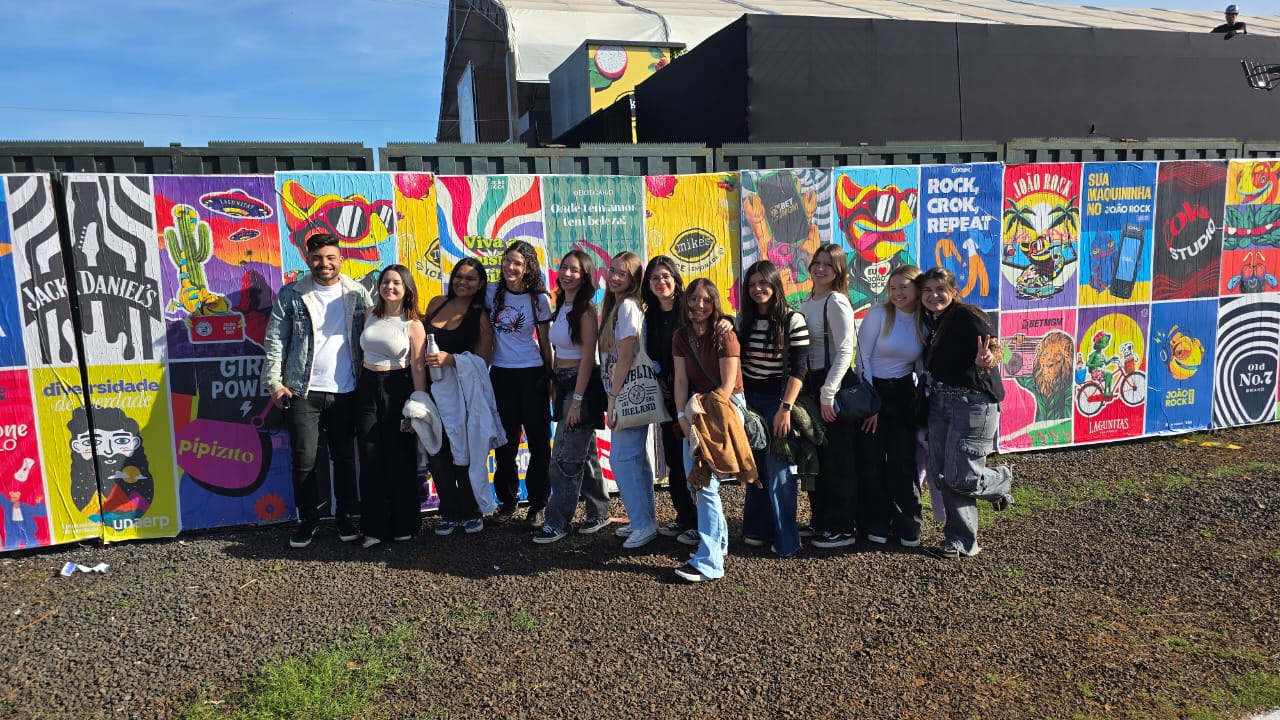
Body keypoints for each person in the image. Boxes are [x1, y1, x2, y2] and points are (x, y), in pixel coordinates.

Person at [262, 232, 372, 549]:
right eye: (317, 258)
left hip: (347, 390)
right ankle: (308, 520)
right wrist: (274, 383)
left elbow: (373, 335)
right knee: (305, 459)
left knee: (344, 458)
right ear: (308, 259)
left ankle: (346, 518)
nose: (324, 263)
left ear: (341, 259)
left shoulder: (358, 293)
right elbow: (275, 341)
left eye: (330, 257)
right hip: (302, 391)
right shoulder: (292, 294)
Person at [917, 267, 1013, 559]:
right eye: (927, 290)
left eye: (940, 289)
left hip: (973, 404)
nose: (934, 296)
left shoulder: (967, 316)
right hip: (939, 402)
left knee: (962, 476)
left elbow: (995, 348)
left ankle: (1000, 481)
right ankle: (960, 540)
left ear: (953, 292)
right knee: (942, 473)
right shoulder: (931, 320)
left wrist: (989, 358)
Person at [534, 250, 611, 543]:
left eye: (574, 270)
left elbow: (588, 358)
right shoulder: (562, 306)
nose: (567, 273)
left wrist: (577, 401)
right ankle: (599, 512)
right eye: (564, 267)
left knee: (564, 459)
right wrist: (555, 383)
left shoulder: (586, 311)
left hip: (582, 387)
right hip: (564, 383)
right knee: (584, 454)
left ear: (585, 276)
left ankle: (558, 522)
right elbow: (559, 351)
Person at [671, 278, 746, 582]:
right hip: (695, 405)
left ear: (715, 302)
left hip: (724, 405)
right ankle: (719, 545)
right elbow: (680, 379)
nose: (698, 305)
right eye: (693, 299)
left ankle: (710, 561)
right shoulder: (681, 335)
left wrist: (702, 420)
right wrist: (681, 416)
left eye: (705, 299)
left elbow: (727, 386)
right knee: (697, 481)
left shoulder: (724, 334)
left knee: (704, 482)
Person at [739, 260, 809, 558]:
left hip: (778, 402)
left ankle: (787, 540)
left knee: (779, 471)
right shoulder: (744, 320)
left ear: (775, 285)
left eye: (763, 283)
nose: (758, 289)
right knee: (754, 468)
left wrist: (785, 408)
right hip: (749, 403)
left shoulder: (793, 320)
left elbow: (799, 369)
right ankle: (757, 530)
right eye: (752, 284)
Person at [355, 264, 428, 548]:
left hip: (398, 387)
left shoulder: (414, 324)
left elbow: (418, 367)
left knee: (400, 457)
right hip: (367, 387)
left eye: (397, 282)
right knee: (370, 456)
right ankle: (373, 528)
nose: (390, 287)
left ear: (407, 288)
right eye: (385, 282)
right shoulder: (369, 315)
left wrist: (418, 404)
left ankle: (405, 525)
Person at [855, 264, 926, 548]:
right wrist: (872, 404)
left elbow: (921, 366)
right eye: (893, 288)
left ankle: (909, 526)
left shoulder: (923, 320)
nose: (897, 293)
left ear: (917, 289)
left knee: (903, 462)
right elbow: (863, 358)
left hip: (904, 395)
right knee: (872, 462)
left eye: (903, 287)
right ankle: (875, 524)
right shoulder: (879, 314)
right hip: (874, 391)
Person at [423, 258, 496, 535]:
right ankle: (449, 512)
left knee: (463, 453)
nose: (462, 282)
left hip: (462, 397)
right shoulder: (436, 304)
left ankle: (471, 509)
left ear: (480, 285)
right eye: (459, 276)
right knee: (437, 453)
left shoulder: (479, 317)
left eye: (470, 279)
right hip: (432, 391)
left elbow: (483, 361)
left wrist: (452, 359)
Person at [487, 240, 554, 528]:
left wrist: (551, 377)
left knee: (539, 443)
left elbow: (546, 343)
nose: (510, 267)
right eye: (507, 260)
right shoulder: (491, 292)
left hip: (532, 374)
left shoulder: (538, 299)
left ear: (527, 268)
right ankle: (507, 501)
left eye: (517, 263)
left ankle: (538, 504)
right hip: (501, 374)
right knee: (505, 443)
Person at [798, 244, 859, 549]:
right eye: (817, 263)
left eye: (828, 265)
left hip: (832, 385)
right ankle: (820, 520)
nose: (821, 269)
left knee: (837, 460)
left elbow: (846, 350)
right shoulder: (808, 300)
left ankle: (842, 527)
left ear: (838, 271)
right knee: (817, 460)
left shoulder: (836, 301)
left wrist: (828, 393)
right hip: (812, 383)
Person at [600, 251, 659, 549]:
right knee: (634, 458)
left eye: (622, 273)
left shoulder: (627, 308)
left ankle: (643, 523)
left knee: (622, 459)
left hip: (627, 393)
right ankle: (645, 519)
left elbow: (626, 356)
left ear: (634, 279)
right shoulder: (619, 306)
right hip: (623, 392)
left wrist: (612, 397)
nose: (614, 277)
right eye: (612, 270)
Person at [642, 255, 698, 545]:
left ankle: (699, 522)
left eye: (665, 276)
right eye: (655, 278)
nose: (661, 282)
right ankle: (684, 516)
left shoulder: (688, 309)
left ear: (675, 278)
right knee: (674, 458)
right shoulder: (649, 315)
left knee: (694, 458)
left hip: (692, 394)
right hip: (666, 395)